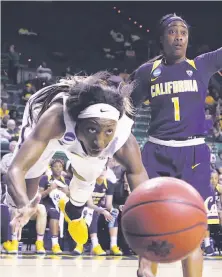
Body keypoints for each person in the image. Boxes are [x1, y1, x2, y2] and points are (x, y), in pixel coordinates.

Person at [6, 72, 148, 247]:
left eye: (108, 132)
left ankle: (74, 212)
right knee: (24, 191)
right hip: (44, 125)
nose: (99, 142)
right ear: (77, 123)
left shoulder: (123, 135)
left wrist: (149, 217)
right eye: (92, 130)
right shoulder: (55, 118)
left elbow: (138, 174)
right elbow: (16, 169)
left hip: (79, 137)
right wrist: (22, 204)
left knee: (86, 180)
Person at [130, 13, 222, 277]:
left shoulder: (202, 65)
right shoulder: (147, 72)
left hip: (194, 153)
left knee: (194, 230)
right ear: (162, 38)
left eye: (183, 31)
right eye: (172, 31)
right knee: (149, 224)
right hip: (156, 151)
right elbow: (127, 107)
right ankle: (146, 271)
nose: (179, 36)